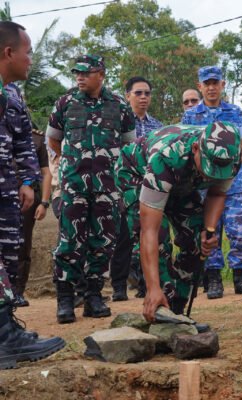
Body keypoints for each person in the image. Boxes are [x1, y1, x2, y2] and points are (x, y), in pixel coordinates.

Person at [115, 122, 241, 322]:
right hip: (137, 173)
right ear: (196, 148)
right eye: (209, 168)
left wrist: (208, 230)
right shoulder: (165, 158)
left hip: (183, 181)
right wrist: (153, 288)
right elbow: (149, 231)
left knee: (197, 241)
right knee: (160, 240)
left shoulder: (230, 157)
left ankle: (178, 309)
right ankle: (160, 304)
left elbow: (217, 192)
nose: (212, 175)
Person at [47, 54, 137, 323]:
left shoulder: (120, 105)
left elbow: (129, 146)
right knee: (70, 240)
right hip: (74, 185)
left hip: (108, 187)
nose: (80, 77)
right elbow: (53, 140)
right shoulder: (65, 102)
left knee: (103, 241)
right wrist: (72, 161)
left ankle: (94, 296)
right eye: (77, 72)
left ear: (101, 75)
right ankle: (65, 299)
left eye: (86, 73)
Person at [0, 20, 65, 370]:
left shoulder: (13, 95)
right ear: (8, 52)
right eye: (27, 52)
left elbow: (25, 141)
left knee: (10, 256)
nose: (31, 60)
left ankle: (6, 331)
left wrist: (28, 180)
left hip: (7, 191)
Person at [182, 65, 242, 298]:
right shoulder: (191, 115)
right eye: (207, 83)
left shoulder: (235, 112)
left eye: (215, 83)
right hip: (205, 184)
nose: (211, 87)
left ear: (223, 85)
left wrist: (232, 167)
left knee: (240, 231)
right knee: (210, 230)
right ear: (200, 86)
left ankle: (240, 278)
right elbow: (189, 146)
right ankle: (213, 280)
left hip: (234, 183)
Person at [110, 76, 164, 301]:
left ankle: (146, 284)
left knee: (151, 233)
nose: (143, 97)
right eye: (138, 93)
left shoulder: (158, 127)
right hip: (123, 186)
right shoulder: (118, 123)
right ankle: (119, 286)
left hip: (150, 187)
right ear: (127, 96)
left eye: (147, 93)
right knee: (123, 236)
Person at [15, 121, 51, 307]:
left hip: (26, 200)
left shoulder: (36, 139)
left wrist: (44, 202)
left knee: (23, 245)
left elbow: (46, 173)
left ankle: (17, 292)